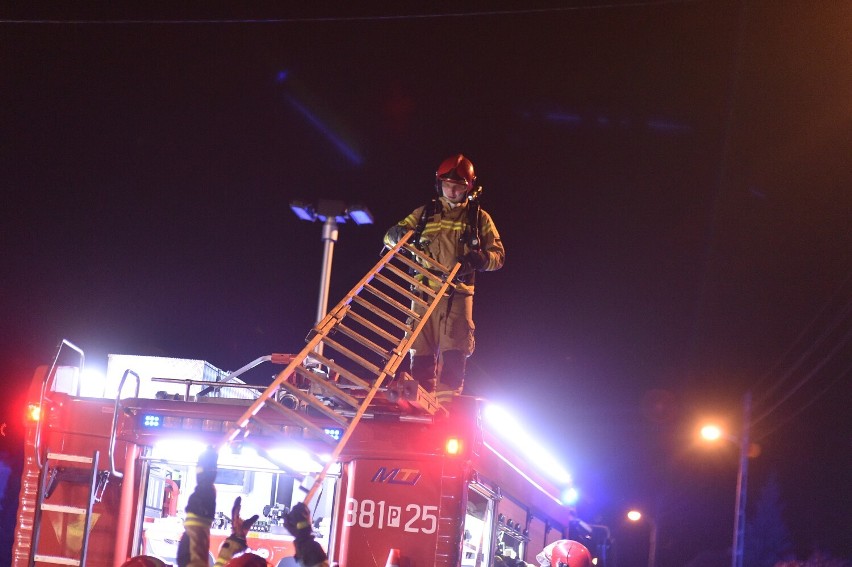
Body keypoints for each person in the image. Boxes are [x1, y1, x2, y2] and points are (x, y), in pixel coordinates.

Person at [384, 153, 505, 401]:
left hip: (456, 295)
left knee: (453, 357)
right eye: (448, 185)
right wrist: (396, 235)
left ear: (469, 188)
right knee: (421, 356)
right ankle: (421, 408)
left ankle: (446, 412)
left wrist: (481, 260)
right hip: (422, 295)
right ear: (440, 184)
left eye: (458, 186)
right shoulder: (424, 214)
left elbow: (499, 255)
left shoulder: (479, 218)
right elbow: (389, 238)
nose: (452, 191)